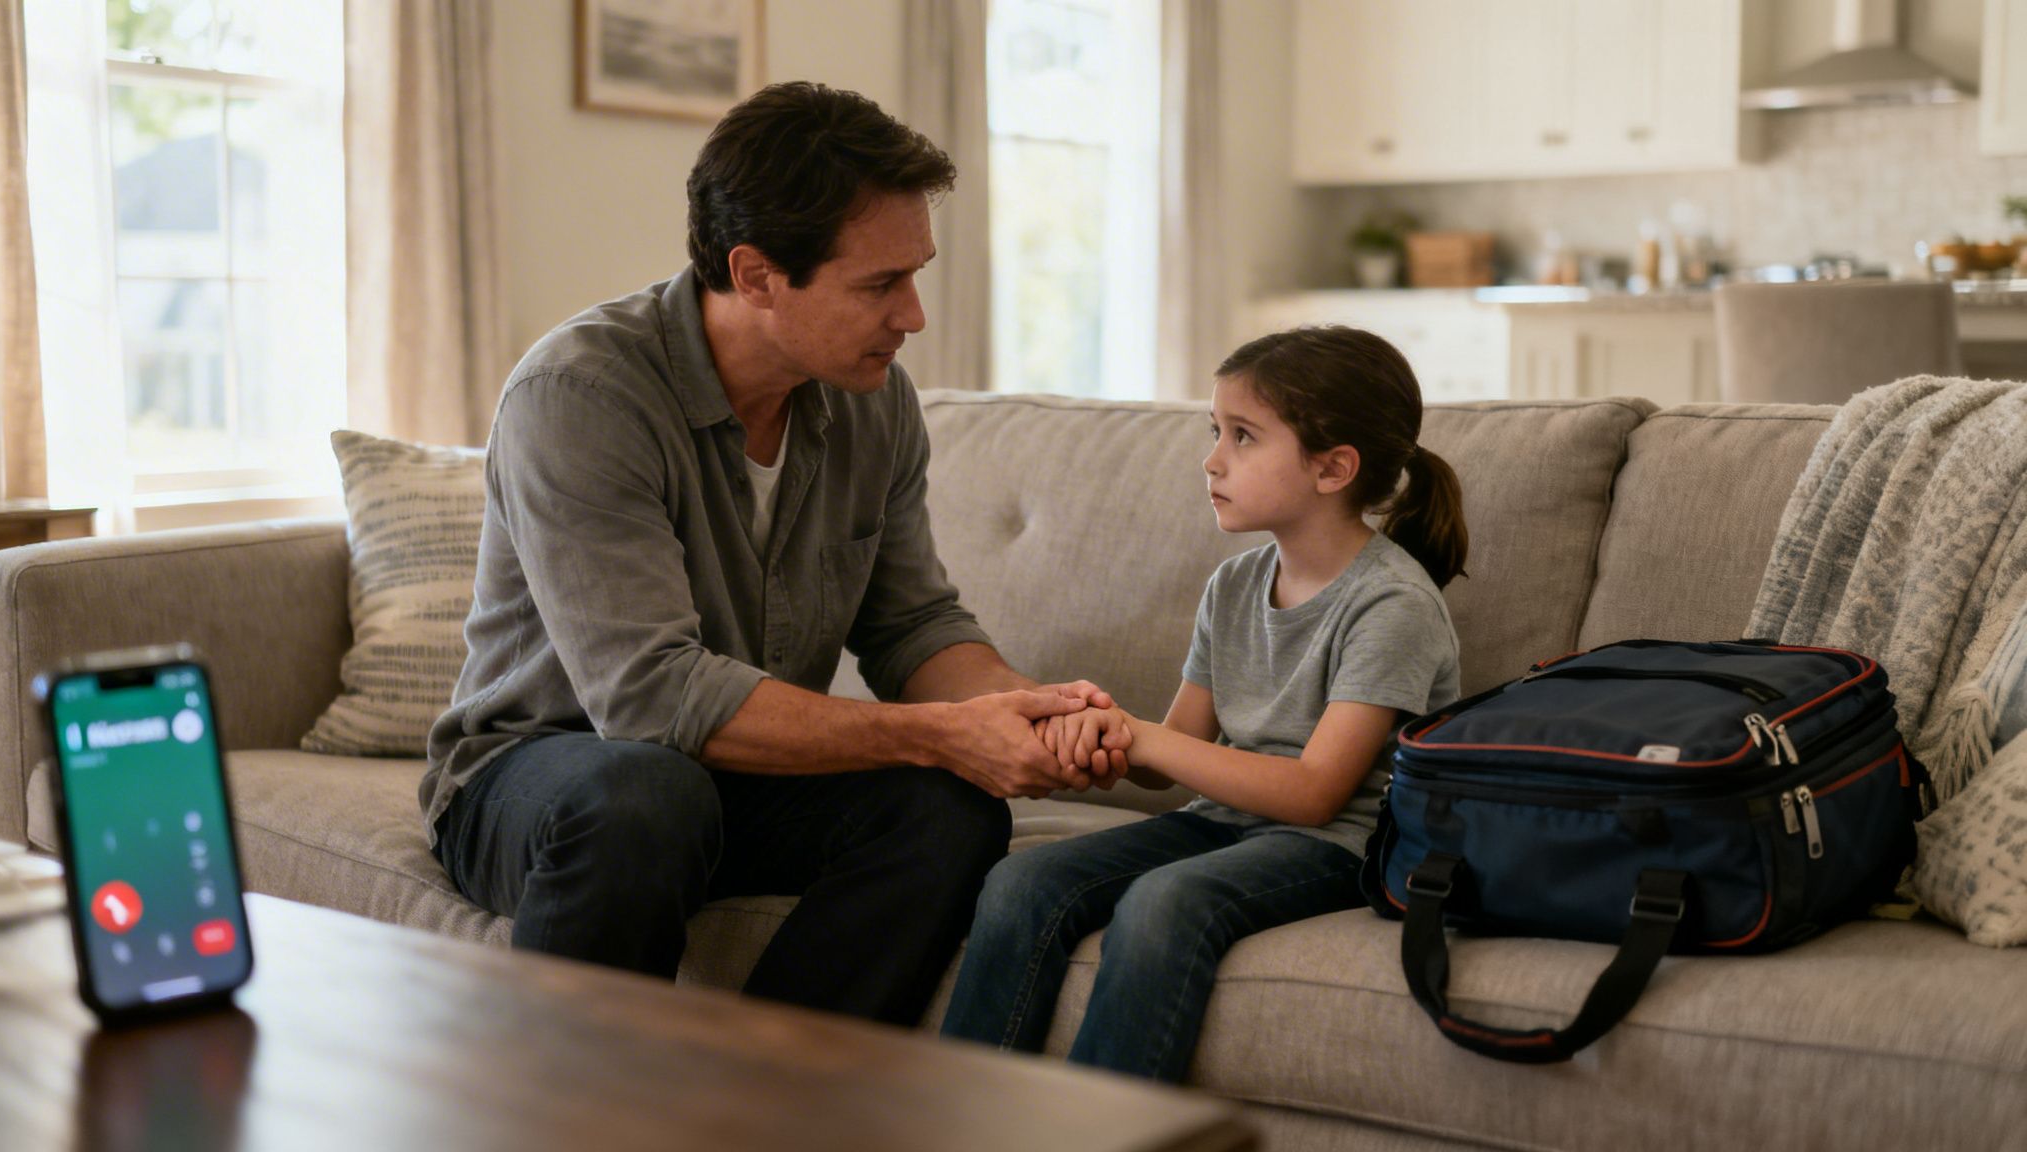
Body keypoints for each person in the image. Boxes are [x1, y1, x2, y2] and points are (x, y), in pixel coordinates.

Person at [421, 81, 1125, 1027]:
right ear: (754, 275)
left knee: (949, 811)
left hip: (730, 779)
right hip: (540, 775)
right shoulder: (580, 395)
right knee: (645, 795)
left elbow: (912, 626)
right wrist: (944, 733)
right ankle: (572, 1100)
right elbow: (651, 698)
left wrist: (1023, 710)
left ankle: (769, 1090)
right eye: (879, 284)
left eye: (915, 275)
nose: (914, 315)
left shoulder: (876, 401)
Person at [939, 325, 1469, 1082]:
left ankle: (1108, 1130)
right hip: (1222, 821)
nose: (1212, 459)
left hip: (1339, 846)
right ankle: (962, 1114)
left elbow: (1316, 794)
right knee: (1020, 883)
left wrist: (1145, 739)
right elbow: (1171, 758)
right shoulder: (1234, 585)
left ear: (1333, 468)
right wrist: (1095, 733)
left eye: (1243, 436)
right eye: (1214, 431)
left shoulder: (1392, 605)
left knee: (1165, 903)